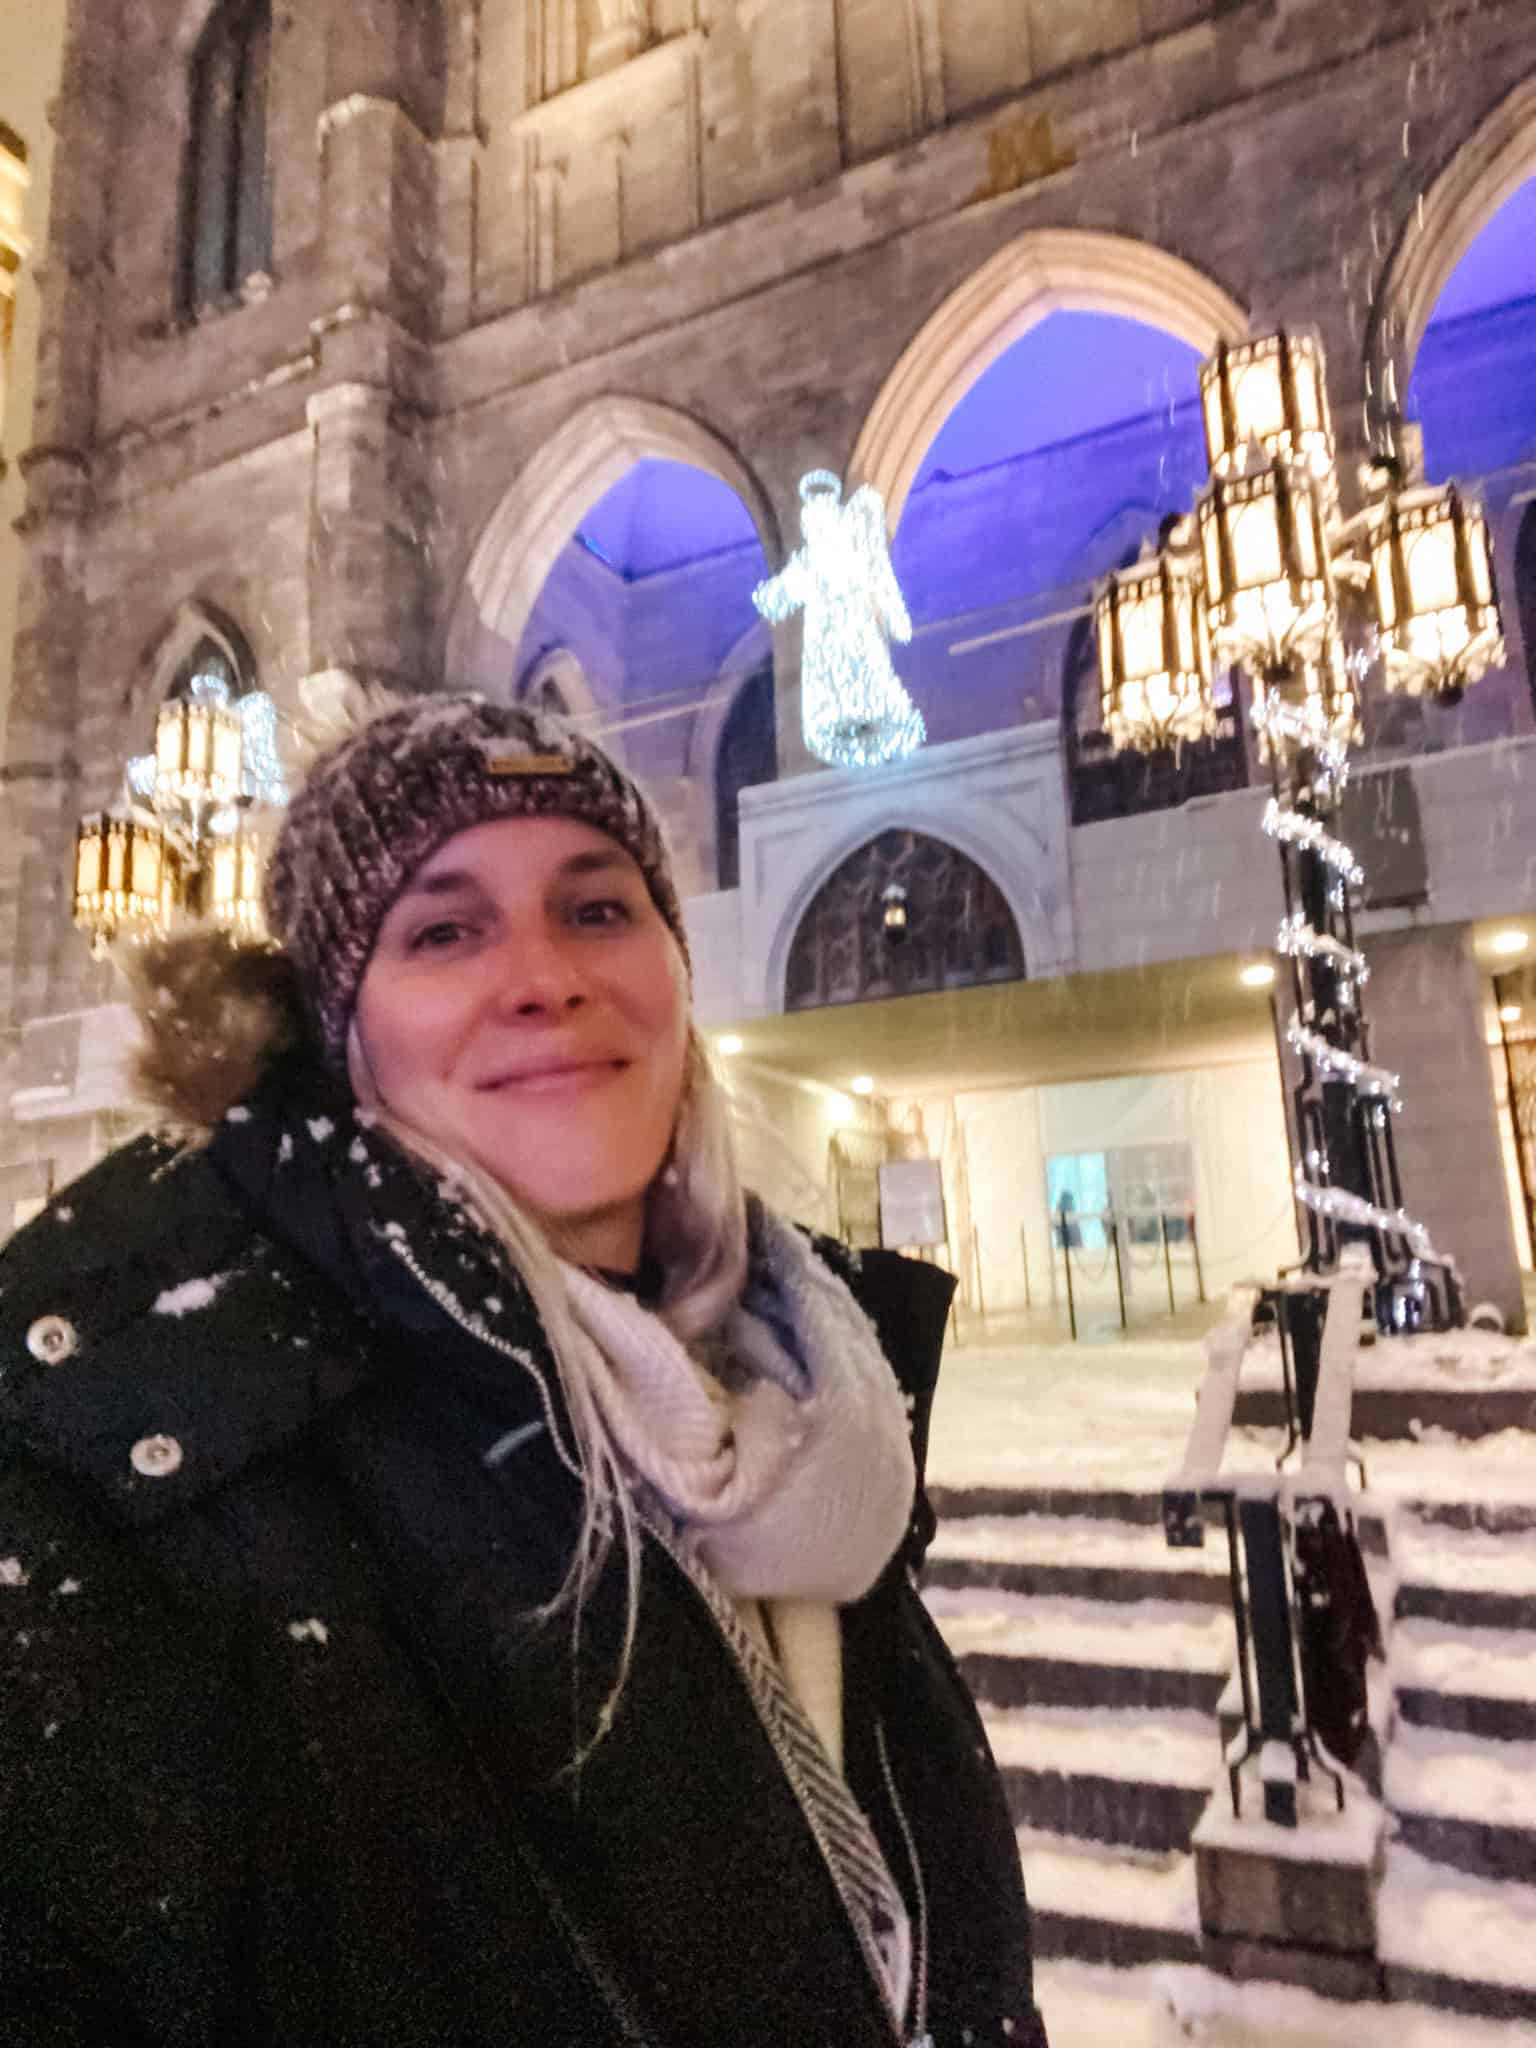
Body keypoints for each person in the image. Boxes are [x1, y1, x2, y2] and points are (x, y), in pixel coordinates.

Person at [0, 694, 1046, 2048]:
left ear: (677, 969)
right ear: (337, 1034)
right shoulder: (123, 1487)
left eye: (598, 908)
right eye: (442, 929)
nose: (546, 975)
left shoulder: (813, 1409)